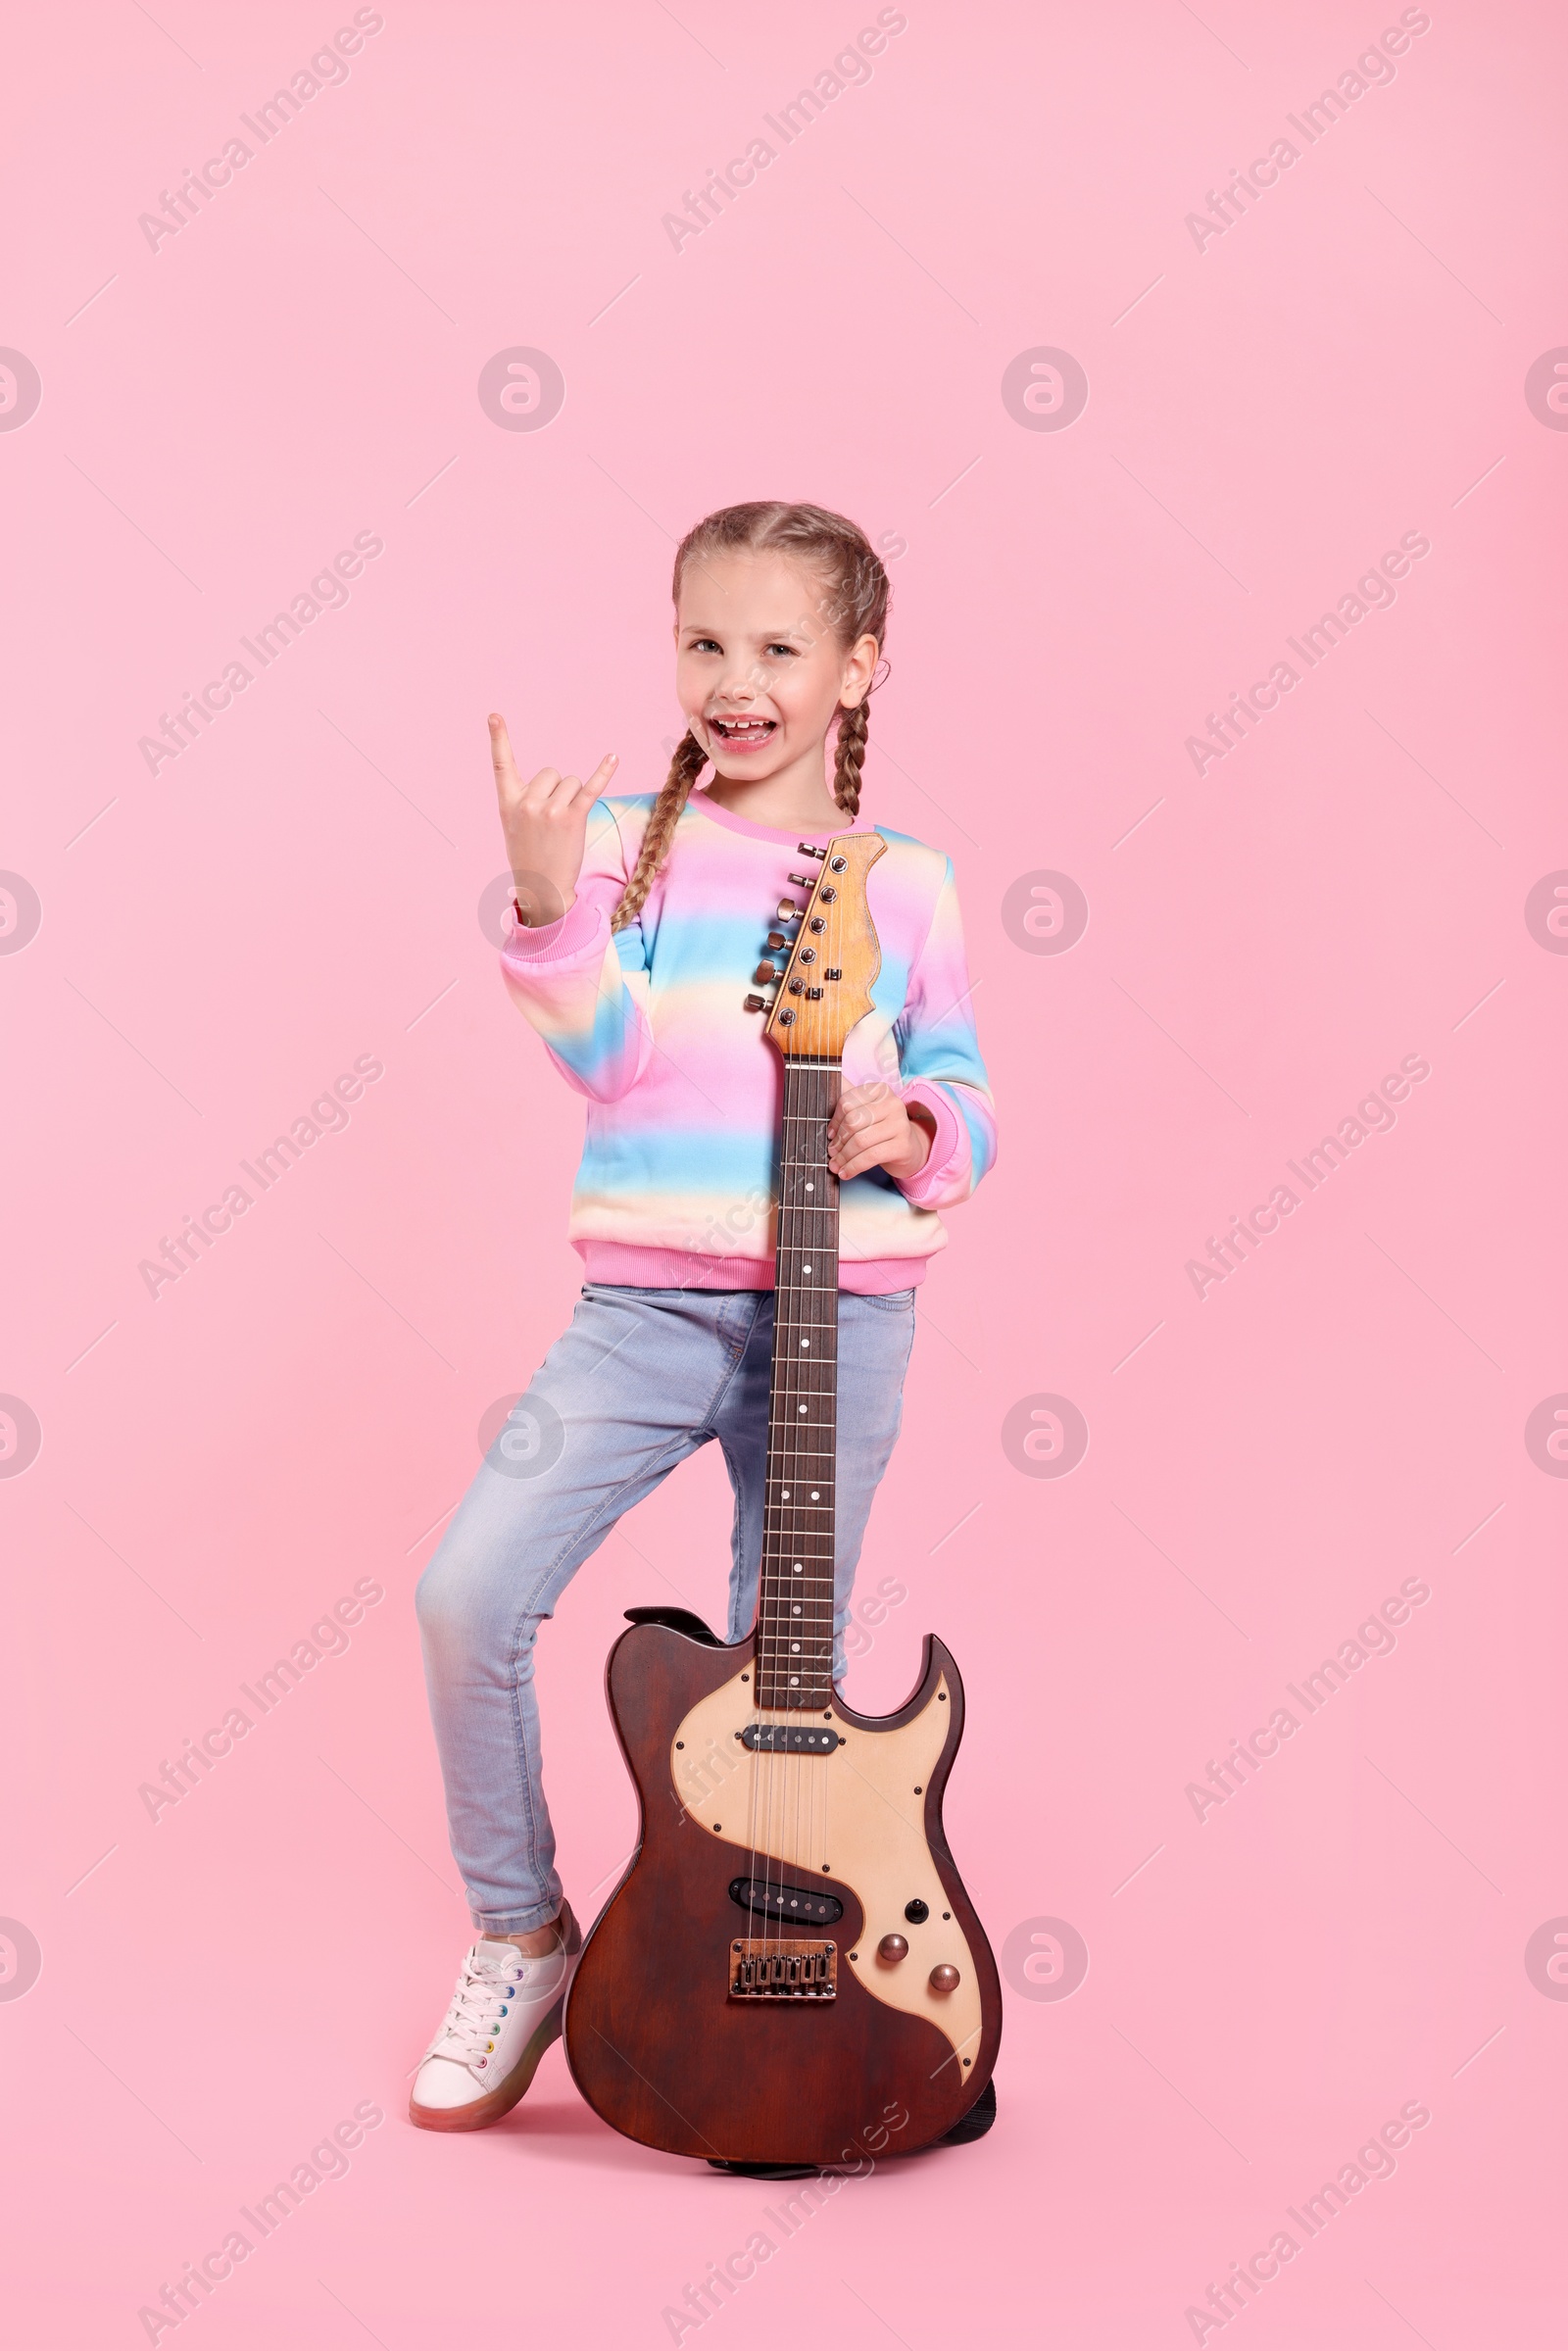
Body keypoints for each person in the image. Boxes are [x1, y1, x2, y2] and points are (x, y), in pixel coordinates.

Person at [409, 501, 996, 2131]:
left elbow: (965, 1091)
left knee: (776, 1689)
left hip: (843, 1315)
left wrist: (920, 1130)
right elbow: (601, 1057)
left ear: (858, 668)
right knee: (467, 1598)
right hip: (648, 1308)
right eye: (704, 642)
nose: (734, 681)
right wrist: (548, 908)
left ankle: (763, 2014)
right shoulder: (625, 842)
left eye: (779, 647)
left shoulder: (912, 886)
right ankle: (521, 1937)